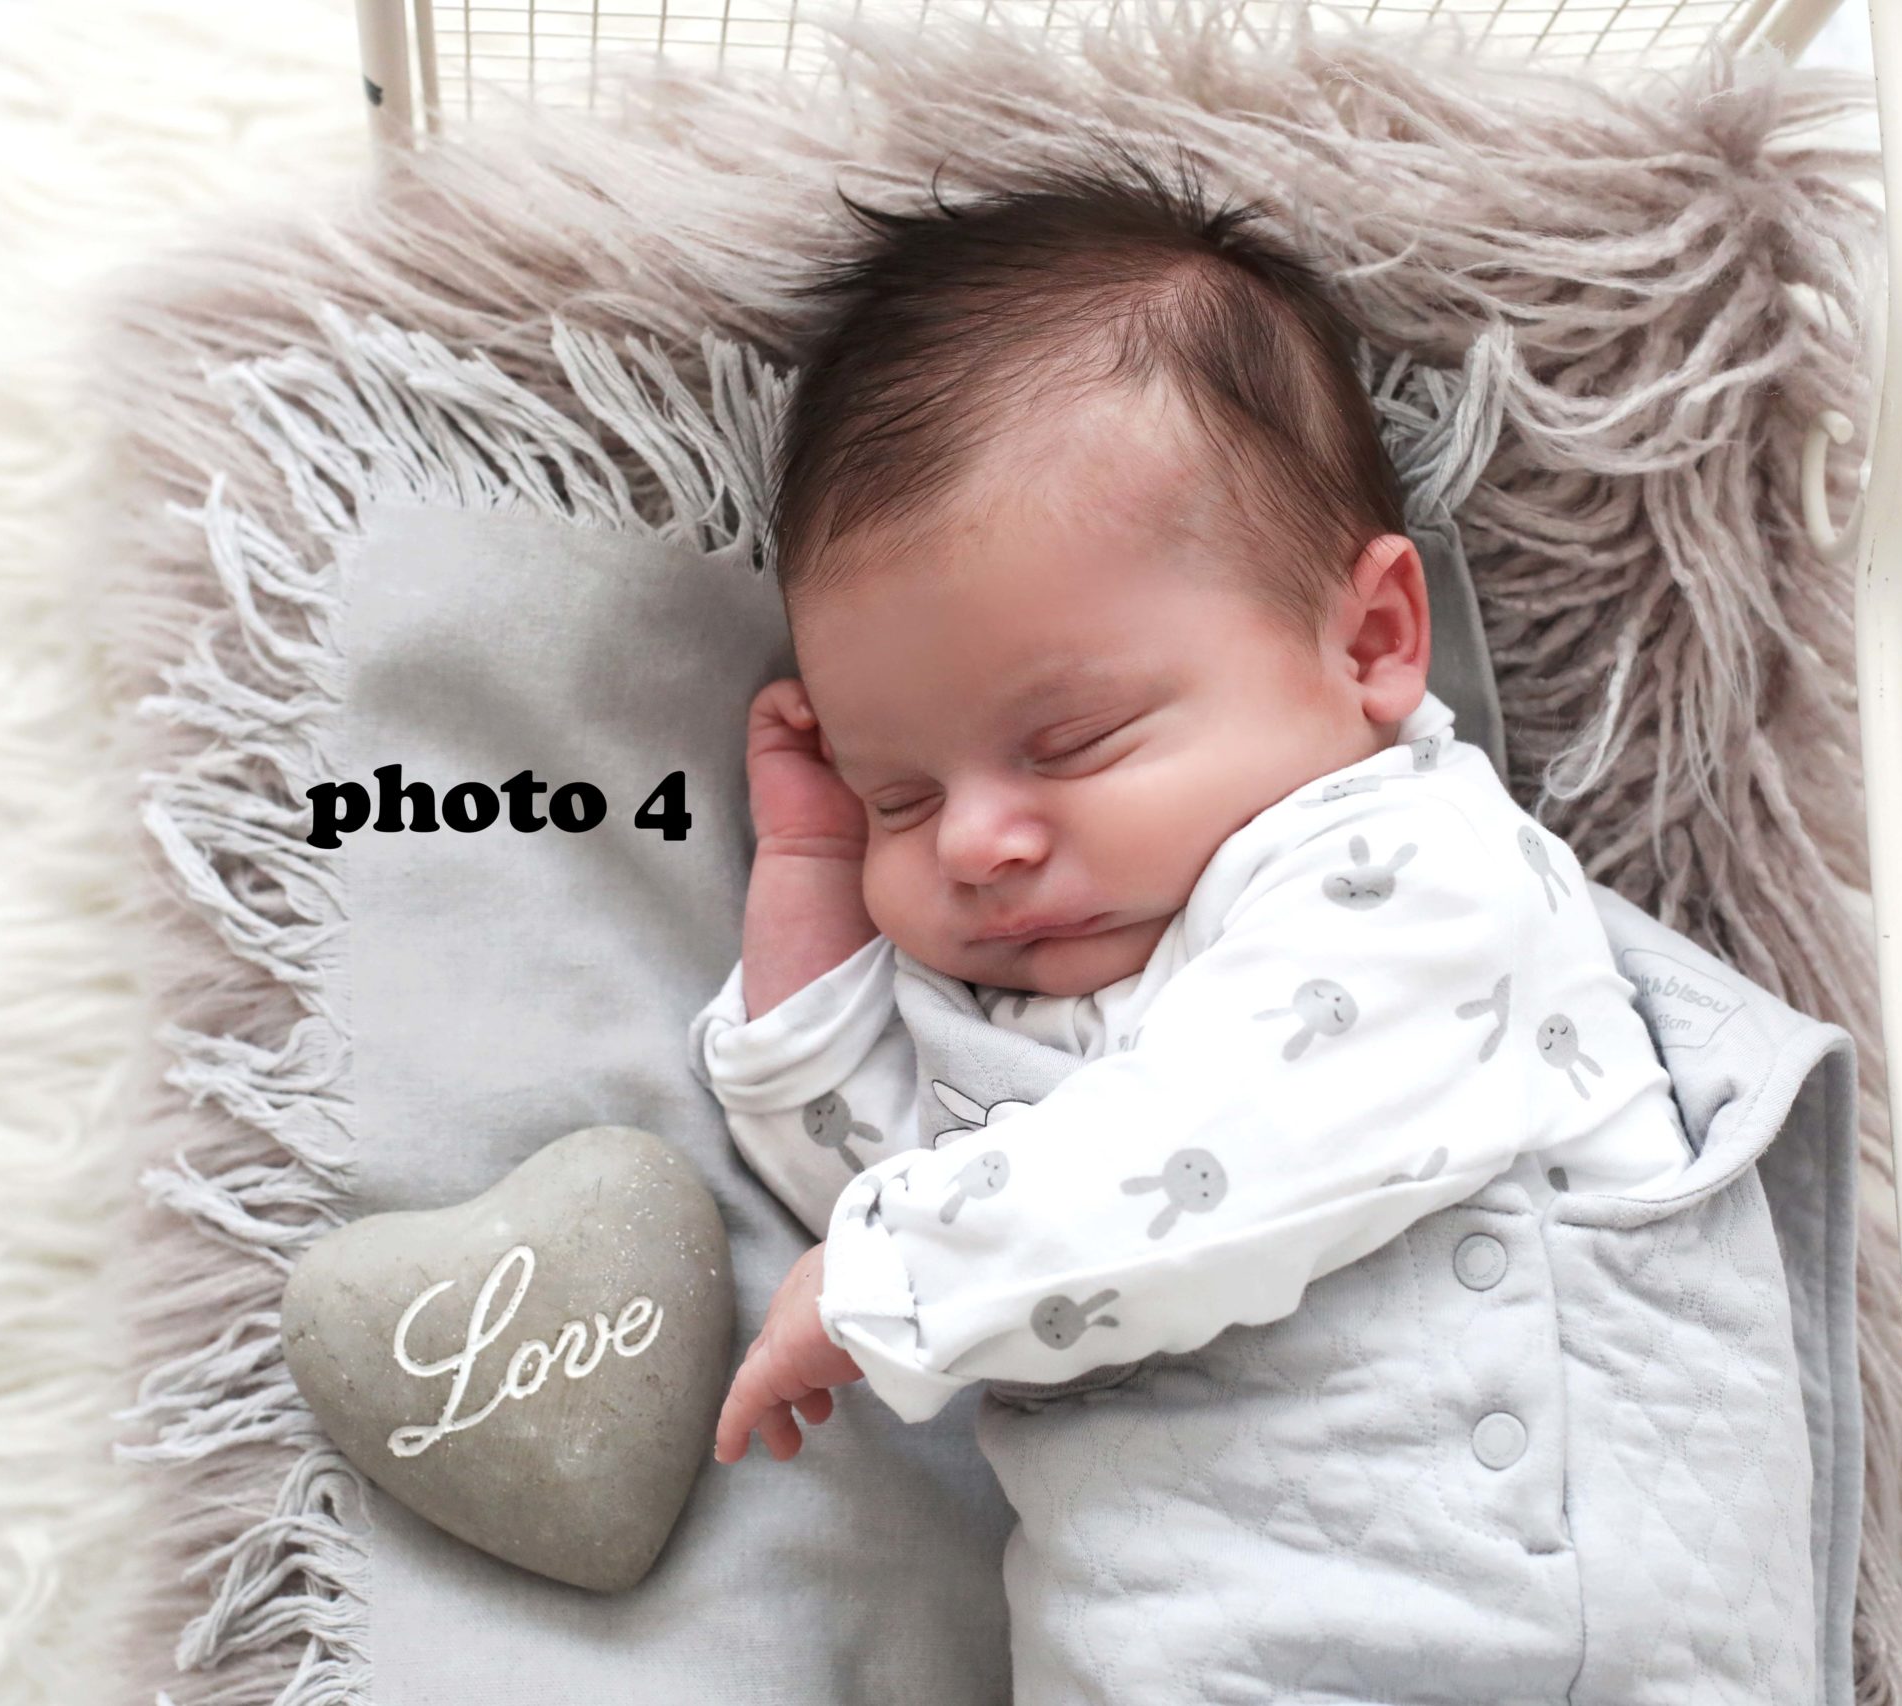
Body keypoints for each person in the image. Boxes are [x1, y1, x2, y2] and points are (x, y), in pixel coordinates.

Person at [685, 140, 1716, 1701]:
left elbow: (1205, 1156)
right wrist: (816, 874)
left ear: (1369, 641)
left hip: (1520, 1625)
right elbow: (886, 1183)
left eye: (1074, 739)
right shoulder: (1047, 993)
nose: (973, 842)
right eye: (903, 791)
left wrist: (890, 1275)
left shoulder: (1417, 875)